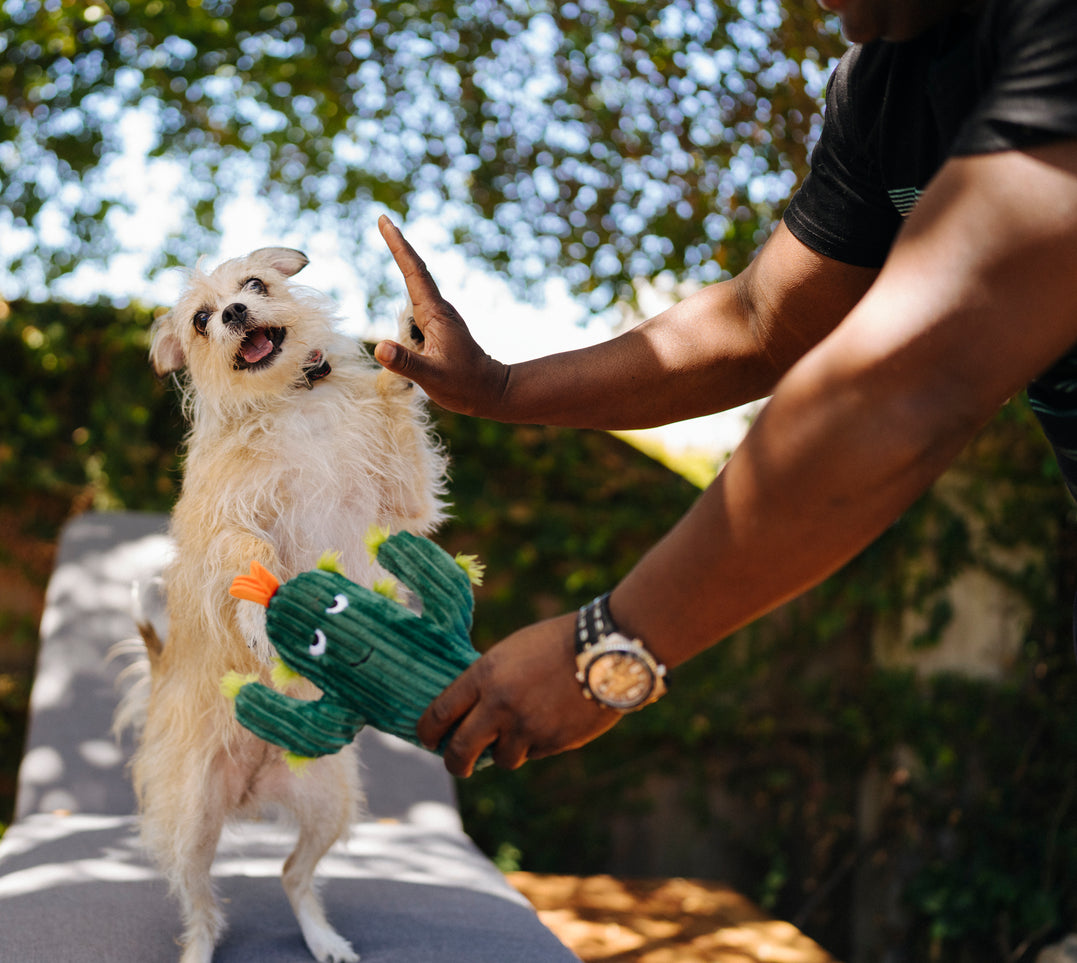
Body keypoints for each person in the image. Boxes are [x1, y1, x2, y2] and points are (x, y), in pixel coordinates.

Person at [372, 0, 1077, 778]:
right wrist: (502, 389)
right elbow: (758, 322)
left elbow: (910, 380)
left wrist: (605, 647)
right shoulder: (881, 88)